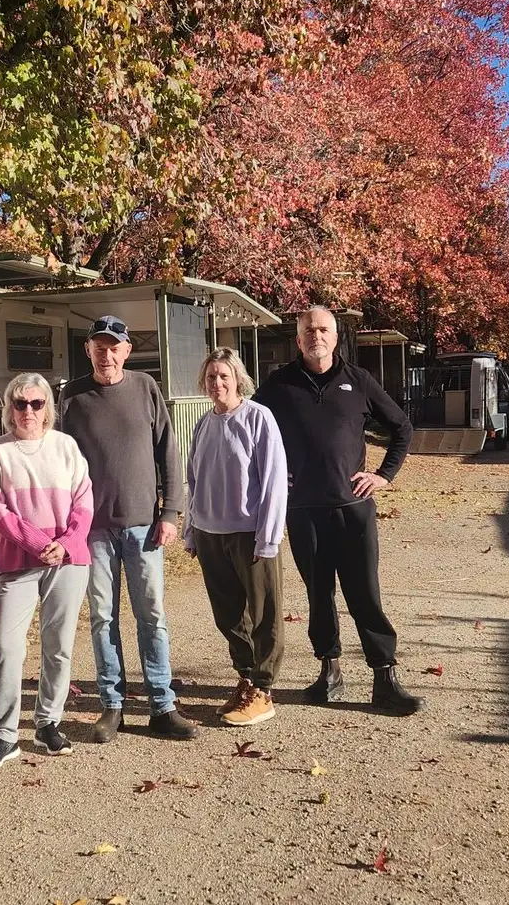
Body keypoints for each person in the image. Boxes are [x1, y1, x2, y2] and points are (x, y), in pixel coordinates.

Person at [253, 306, 424, 715]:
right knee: (318, 595)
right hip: (303, 511)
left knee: (365, 592)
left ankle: (385, 678)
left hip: (353, 510)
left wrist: (384, 475)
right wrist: (270, 478)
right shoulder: (278, 385)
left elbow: (402, 428)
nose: (316, 335)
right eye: (308, 330)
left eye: (323, 329)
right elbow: (251, 431)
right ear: (298, 340)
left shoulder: (359, 381)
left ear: (335, 337)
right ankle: (329, 672)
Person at [58, 315, 199, 742]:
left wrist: (171, 512)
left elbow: (168, 453)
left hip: (144, 527)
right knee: (102, 617)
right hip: (93, 530)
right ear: (88, 349)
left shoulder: (145, 388)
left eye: (114, 346)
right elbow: (61, 463)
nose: (106, 353)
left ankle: (161, 705)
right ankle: (111, 705)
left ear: (126, 351)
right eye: (98, 346)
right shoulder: (71, 397)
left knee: (151, 616)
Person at [0, 373, 94, 769]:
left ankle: (48, 722)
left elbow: (84, 502)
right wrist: (34, 542)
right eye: (20, 403)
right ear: (9, 408)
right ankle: (5, 735)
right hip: (17, 562)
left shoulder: (66, 446)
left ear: (48, 408)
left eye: (37, 404)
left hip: (67, 560)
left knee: (57, 646)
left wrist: (65, 543)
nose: (28, 411)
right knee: (6, 648)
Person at [182, 348, 288, 727]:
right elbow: (193, 481)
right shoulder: (203, 425)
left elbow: (275, 482)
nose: (217, 383)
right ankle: (244, 678)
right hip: (211, 534)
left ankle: (263, 688)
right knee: (228, 616)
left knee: (264, 613)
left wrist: (268, 537)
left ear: (238, 378)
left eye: (224, 376)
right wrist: (191, 531)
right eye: (211, 377)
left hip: (249, 534)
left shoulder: (258, 418)